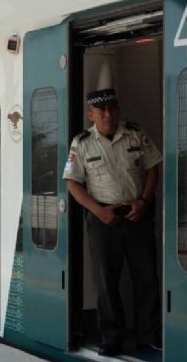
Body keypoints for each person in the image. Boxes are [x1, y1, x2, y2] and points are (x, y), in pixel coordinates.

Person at [63, 88, 161, 356]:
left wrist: (143, 201)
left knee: (147, 278)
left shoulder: (135, 133)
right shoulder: (81, 143)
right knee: (107, 281)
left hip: (137, 213)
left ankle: (148, 336)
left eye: (112, 108)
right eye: (101, 110)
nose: (108, 114)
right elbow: (73, 183)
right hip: (103, 219)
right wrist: (98, 211)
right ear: (90, 114)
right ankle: (111, 338)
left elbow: (152, 167)